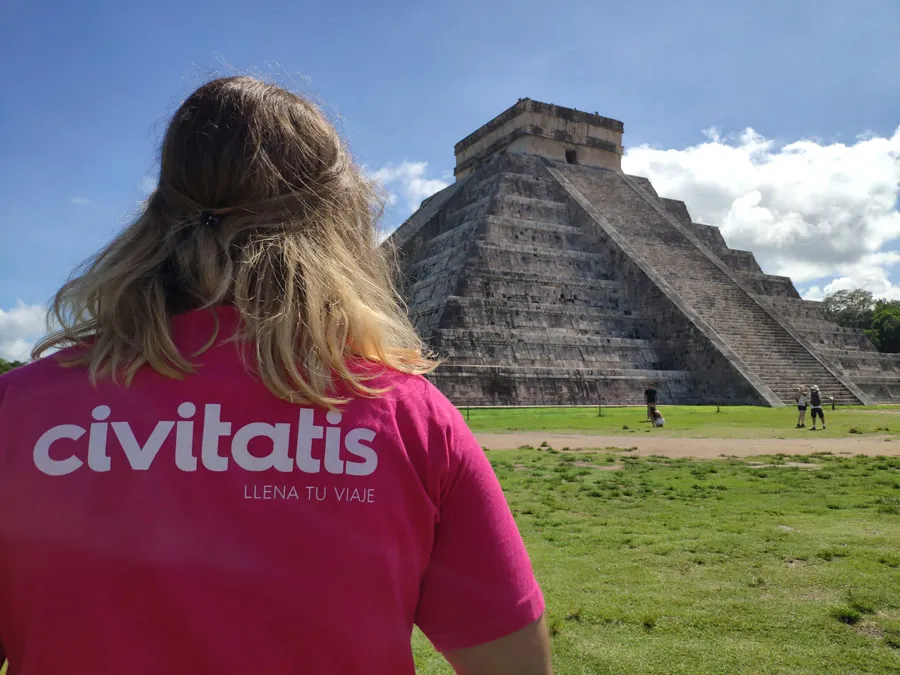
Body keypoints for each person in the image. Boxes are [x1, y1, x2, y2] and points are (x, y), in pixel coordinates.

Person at [0, 77, 551, 675]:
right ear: (339, 218)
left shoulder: (17, 410)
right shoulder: (407, 417)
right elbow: (513, 664)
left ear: (159, 213)